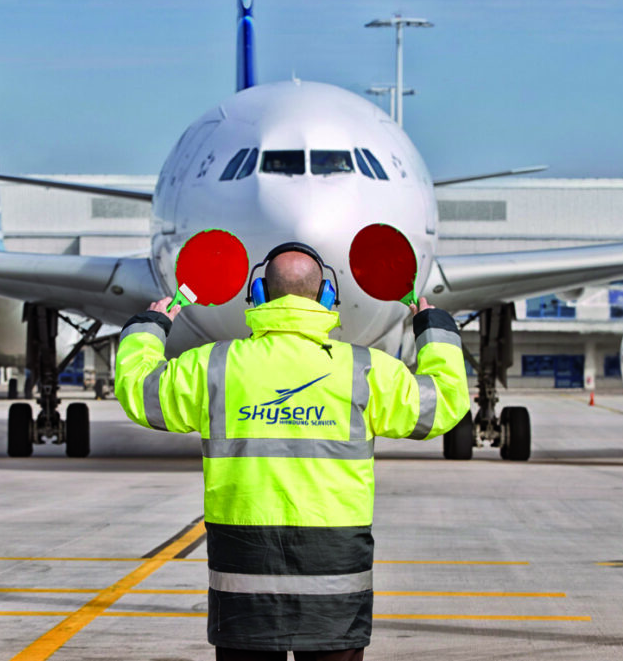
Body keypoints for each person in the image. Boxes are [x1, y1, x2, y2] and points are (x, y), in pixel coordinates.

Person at [114, 242, 470, 660]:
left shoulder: (213, 367)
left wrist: (149, 326)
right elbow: (443, 403)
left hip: (243, 573)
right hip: (335, 577)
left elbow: (138, 390)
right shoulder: (365, 370)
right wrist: (435, 330)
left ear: (259, 294)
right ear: (327, 297)